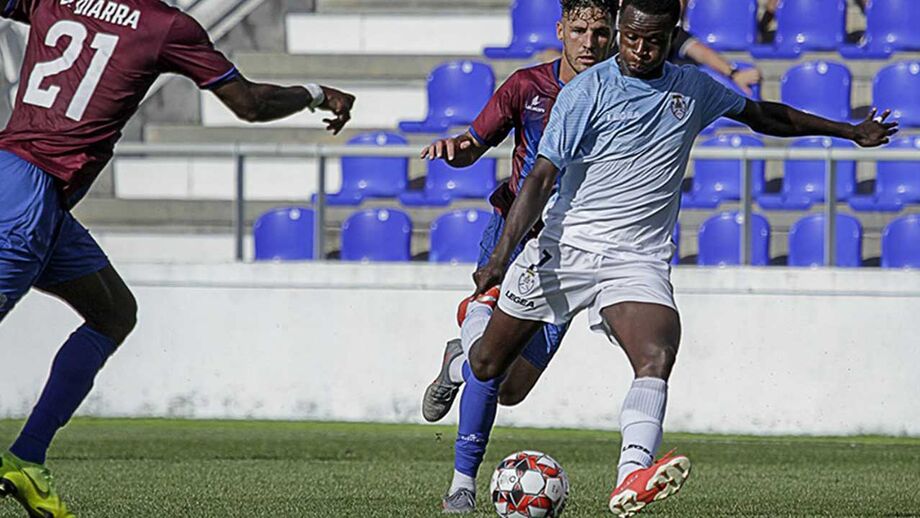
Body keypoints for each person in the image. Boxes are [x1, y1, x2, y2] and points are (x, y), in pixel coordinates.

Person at [464, 0, 897, 516]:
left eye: (651, 41)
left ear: (671, 38)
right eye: (629, 37)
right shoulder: (586, 92)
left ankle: (631, 475)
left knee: (656, 355)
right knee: (487, 366)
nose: (638, 50)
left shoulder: (691, 89)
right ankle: (477, 314)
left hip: (636, 258)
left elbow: (762, 115)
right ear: (620, 30)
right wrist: (500, 257)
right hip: (566, 248)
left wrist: (848, 131)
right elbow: (540, 177)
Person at [0, 1, 354, 516]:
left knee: (113, 313)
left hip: (31, 190)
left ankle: (28, 458)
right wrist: (315, 93)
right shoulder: (163, 25)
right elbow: (250, 104)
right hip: (29, 196)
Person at [418, 0, 615, 512]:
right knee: (491, 365)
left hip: (572, 250)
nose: (590, 42)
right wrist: (454, 150)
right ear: (561, 30)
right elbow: (474, 142)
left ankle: (457, 364)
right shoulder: (527, 87)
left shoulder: (624, 92)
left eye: (600, 32)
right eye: (579, 30)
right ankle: (462, 485)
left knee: (510, 389)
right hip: (513, 234)